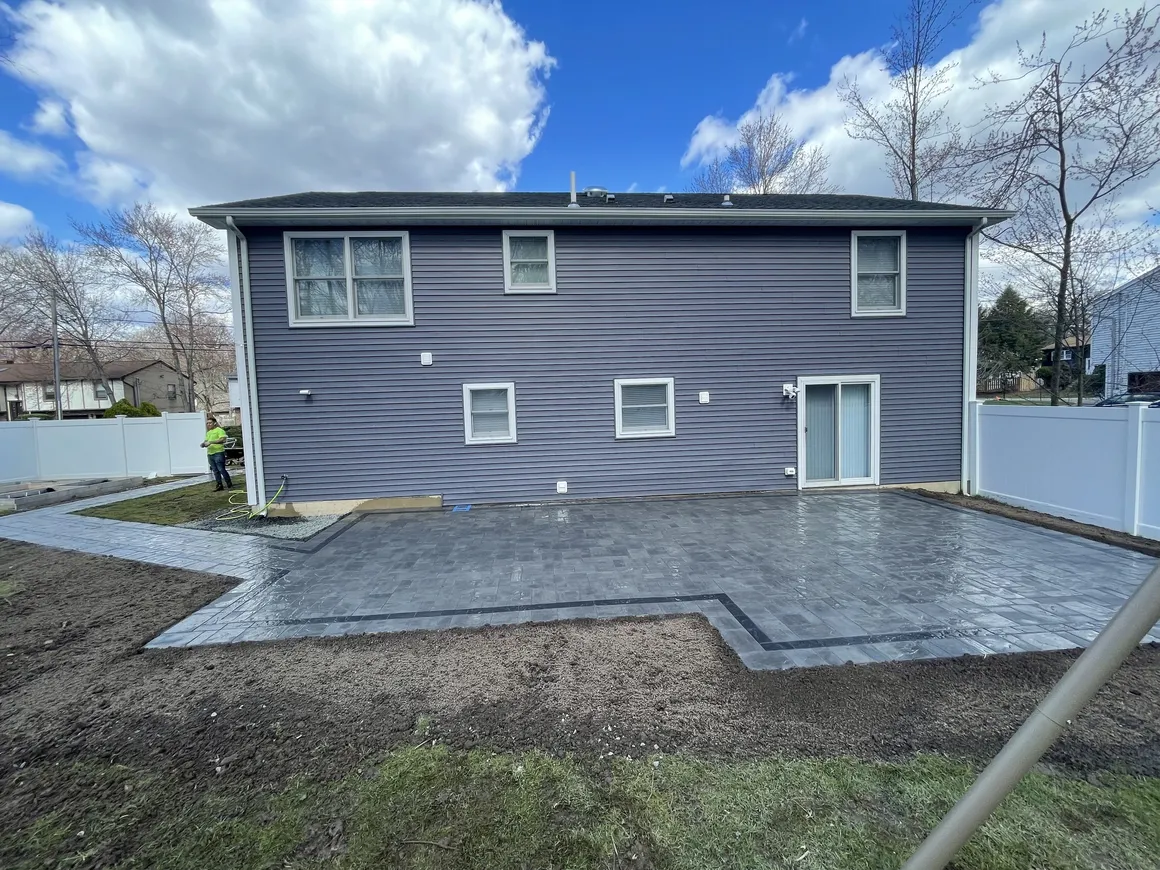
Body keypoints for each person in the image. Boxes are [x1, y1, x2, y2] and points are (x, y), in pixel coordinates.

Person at [201, 416, 233, 491]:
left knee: (221, 469)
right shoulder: (208, 433)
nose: (208, 424)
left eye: (210, 423)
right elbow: (206, 441)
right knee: (215, 470)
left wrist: (211, 442)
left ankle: (229, 483)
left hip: (218, 453)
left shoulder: (219, 430)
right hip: (210, 453)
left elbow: (223, 440)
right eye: (207, 423)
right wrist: (203, 444)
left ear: (214, 423)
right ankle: (219, 485)